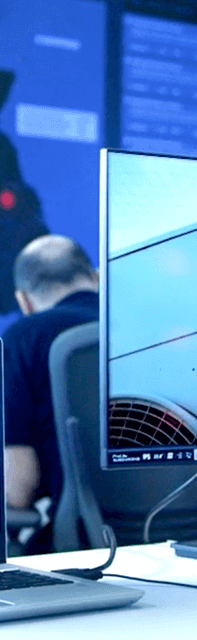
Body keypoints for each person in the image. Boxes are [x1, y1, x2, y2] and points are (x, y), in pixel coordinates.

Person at [2, 234, 99, 549]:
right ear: (95, 278)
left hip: (86, 546)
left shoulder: (21, 339)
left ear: (24, 301)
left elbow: (18, 488)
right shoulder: (145, 324)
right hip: (195, 534)